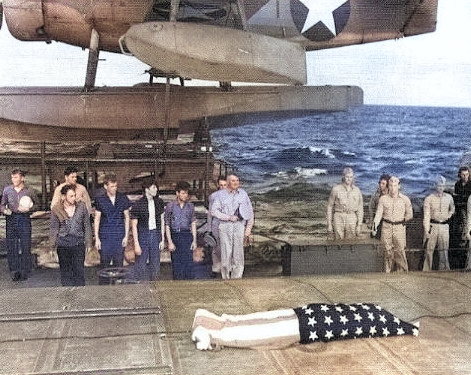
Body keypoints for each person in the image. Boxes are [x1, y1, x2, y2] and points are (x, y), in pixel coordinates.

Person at [191, 303, 419, 351]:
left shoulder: (374, 312)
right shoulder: (372, 313)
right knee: (257, 331)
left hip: (306, 317)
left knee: (258, 323)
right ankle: (211, 330)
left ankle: (209, 324)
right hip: (306, 320)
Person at [211, 174, 254, 279]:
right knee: (226, 252)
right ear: (228, 182)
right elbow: (214, 211)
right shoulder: (220, 195)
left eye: (237, 180)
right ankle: (225, 277)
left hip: (239, 225)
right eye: (233, 181)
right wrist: (228, 217)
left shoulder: (243, 194)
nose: (236, 183)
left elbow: (250, 212)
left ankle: (237, 278)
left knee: (238, 253)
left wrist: (248, 229)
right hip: (225, 226)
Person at [49, 184, 92, 286]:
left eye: (74, 195)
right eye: (71, 196)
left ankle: (80, 296)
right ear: (63, 197)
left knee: (79, 272)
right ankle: (68, 297)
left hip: (78, 244)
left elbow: (87, 225)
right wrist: (52, 246)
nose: (74, 198)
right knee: (66, 273)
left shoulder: (81, 206)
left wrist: (89, 243)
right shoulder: (56, 209)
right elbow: (54, 229)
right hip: (63, 245)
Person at [0, 169, 39, 281]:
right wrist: (5, 211)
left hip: (24, 219)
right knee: (12, 246)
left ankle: (25, 271)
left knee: (25, 245)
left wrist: (29, 208)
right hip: (11, 219)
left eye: (16, 177)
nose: (14, 180)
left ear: (22, 178)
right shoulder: (7, 190)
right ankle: (14, 271)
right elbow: (2, 205)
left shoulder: (29, 191)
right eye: (12, 177)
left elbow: (38, 205)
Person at [372, 176, 413, 273]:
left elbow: (410, 214)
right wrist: (374, 227)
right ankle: (387, 273)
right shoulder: (383, 199)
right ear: (388, 186)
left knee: (400, 251)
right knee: (387, 251)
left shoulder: (405, 199)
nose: (393, 188)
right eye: (390, 185)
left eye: (395, 185)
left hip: (399, 227)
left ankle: (402, 272)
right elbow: (378, 214)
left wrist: (403, 220)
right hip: (386, 227)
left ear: (399, 186)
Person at [94, 174, 131, 275]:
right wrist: (97, 238)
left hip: (119, 236)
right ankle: (104, 289)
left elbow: (127, 218)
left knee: (119, 266)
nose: (114, 188)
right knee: (104, 267)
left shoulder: (123, 198)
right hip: (105, 237)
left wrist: (126, 236)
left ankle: (119, 289)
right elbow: (97, 220)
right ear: (105, 186)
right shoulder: (100, 200)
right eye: (112, 186)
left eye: (116, 186)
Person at [130, 179, 165, 281]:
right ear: (147, 189)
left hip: (155, 234)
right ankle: (141, 288)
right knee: (141, 263)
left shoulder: (159, 202)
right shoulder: (138, 204)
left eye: (156, 187)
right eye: (154, 187)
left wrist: (162, 239)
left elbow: (162, 220)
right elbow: (134, 226)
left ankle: (155, 287)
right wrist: (136, 244)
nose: (156, 189)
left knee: (155, 264)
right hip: (143, 235)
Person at [165, 181, 197, 280]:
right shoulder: (170, 206)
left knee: (188, 263)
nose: (185, 195)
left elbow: (193, 223)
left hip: (186, 235)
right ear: (177, 193)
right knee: (176, 264)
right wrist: (170, 241)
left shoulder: (190, 206)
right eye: (183, 193)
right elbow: (167, 224)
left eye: (186, 193)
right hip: (175, 235)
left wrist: (194, 240)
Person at [422, 176, 455, 271]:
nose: (441, 188)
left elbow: (452, 209)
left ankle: (444, 271)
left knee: (444, 250)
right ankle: (426, 271)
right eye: (439, 185)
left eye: (442, 186)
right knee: (429, 250)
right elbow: (426, 216)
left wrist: (448, 216)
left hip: (444, 226)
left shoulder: (449, 198)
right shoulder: (429, 199)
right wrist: (426, 230)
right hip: (433, 226)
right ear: (435, 185)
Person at [326, 167, 364, 240]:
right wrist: (329, 225)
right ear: (343, 177)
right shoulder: (336, 189)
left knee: (351, 242)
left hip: (352, 217)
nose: (349, 179)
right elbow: (329, 207)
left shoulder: (357, 190)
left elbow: (360, 208)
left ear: (353, 178)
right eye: (347, 177)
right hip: (338, 217)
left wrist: (359, 224)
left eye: (351, 177)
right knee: (338, 241)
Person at [207, 177, 227, 274]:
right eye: (221, 185)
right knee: (216, 247)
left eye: (225, 185)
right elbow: (210, 213)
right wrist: (209, 228)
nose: (223, 187)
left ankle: (227, 268)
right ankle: (215, 268)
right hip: (216, 224)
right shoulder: (213, 196)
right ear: (218, 185)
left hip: (227, 225)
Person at [453, 166, 471, 247]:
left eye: (467, 174)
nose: (465, 177)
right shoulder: (458, 184)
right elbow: (457, 196)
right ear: (460, 175)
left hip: (468, 206)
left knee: (465, 219)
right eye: (463, 175)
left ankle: (464, 238)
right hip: (460, 206)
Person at [368, 174, 390, 238]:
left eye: (383, 184)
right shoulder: (376, 194)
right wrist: (371, 220)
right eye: (380, 183)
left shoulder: (391, 194)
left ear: (387, 184)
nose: (381, 185)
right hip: (378, 218)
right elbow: (371, 207)